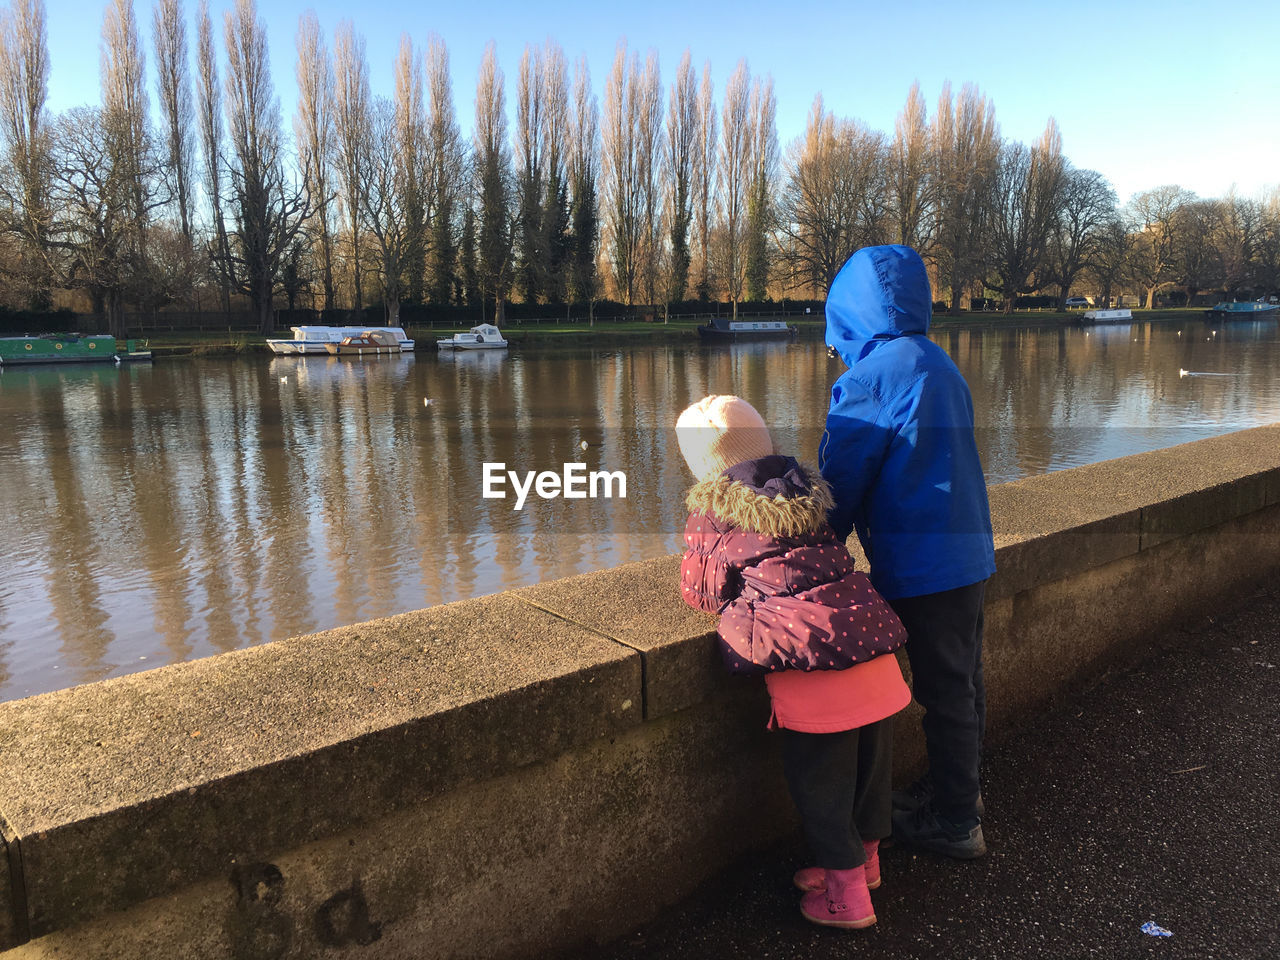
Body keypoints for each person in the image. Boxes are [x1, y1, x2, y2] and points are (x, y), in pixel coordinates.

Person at [675, 394, 911, 929]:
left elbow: (703, 593)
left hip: (817, 672)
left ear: (702, 467)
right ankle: (865, 865)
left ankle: (847, 898)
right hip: (872, 655)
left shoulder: (716, 516)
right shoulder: (806, 497)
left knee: (821, 787)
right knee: (870, 774)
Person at [818, 244, 996, 860]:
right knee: (962, 684)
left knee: (944, 691)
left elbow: (838, 484)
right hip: (970, 552)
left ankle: (954, 823)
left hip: (923, 565)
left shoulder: (868, 379)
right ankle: (959, 794)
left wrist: (810, 548)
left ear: (848, 316)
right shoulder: (939, 363)